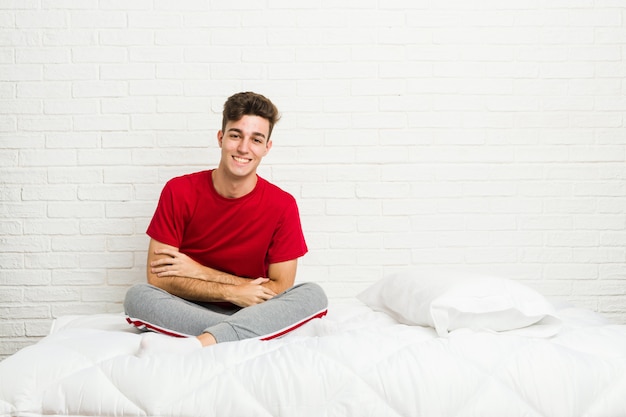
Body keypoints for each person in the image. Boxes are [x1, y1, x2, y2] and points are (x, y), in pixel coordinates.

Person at [123, 92, 328, 355]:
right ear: (221, 138)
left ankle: (200, 343)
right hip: (189, 306)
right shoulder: (179, 191)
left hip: (251, 307)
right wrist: (233, 291)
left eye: (256, 139)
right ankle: (252, 332)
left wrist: (201, 272)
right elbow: (158, 278)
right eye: (235, 135)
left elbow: (278, 289)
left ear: (267, 147)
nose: (244, 148)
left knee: (313, 294)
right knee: (138, 296)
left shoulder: (282, 205)